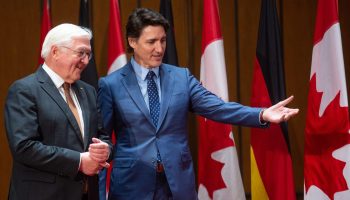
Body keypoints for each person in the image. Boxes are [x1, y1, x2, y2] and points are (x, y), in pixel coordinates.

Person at [98, 8, 299, 200]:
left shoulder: (181, 77)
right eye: (151, 42)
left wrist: (262, 114)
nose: (159, 49)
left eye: (163, 40)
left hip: (177, 184)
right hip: (131, 186)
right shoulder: (111, 84)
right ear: (132, 41)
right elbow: (102, 140)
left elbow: (218, 108)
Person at [4, 23, 112, 200]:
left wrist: (105, 149)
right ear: (55, 52)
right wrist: (79, 161)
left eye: (88, 54)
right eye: (81, 53)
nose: (86, 61)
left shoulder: (88, 91)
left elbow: (102, 136)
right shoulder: (25, 90)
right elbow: (24, 147)